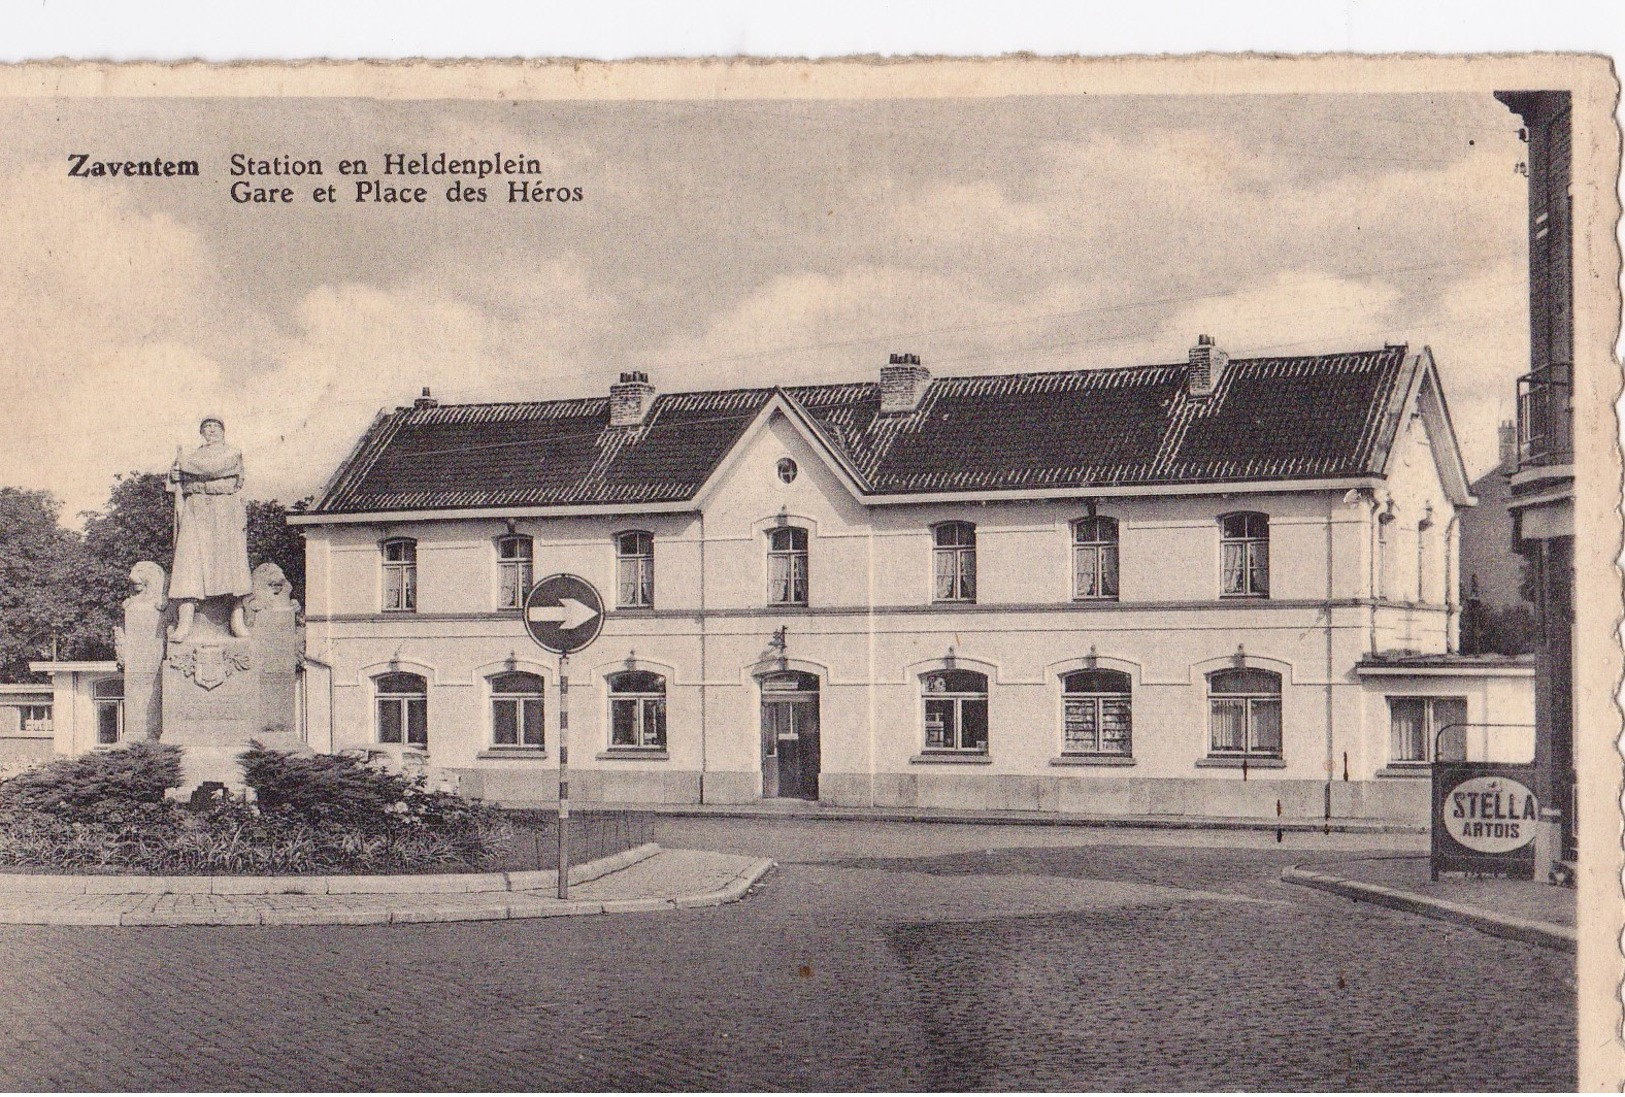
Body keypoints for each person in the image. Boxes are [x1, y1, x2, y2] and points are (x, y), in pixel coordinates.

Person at [168, 417, 253, 640]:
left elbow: (214, 468)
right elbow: (179, 479)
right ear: (201, 432)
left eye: (216, 427)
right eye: (207, 427)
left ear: (223, 431)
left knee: (232, 566)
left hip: (224, 508)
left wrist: (184, 467)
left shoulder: (232, 452)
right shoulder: (192, 455)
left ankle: (237, 619)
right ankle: (185, 621)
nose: (211, 430)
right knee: (188, 565)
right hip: (196, 509)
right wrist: (175, 474)